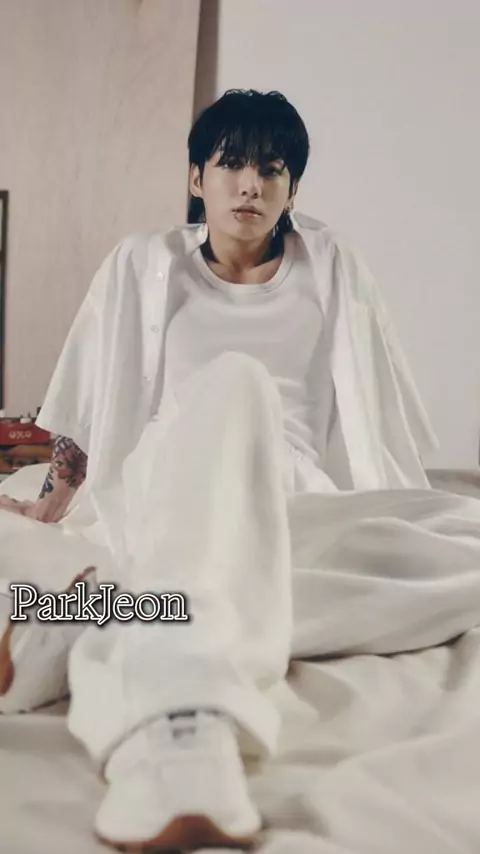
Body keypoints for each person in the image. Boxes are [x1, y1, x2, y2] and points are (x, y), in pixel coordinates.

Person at [1, 89, 480, 852]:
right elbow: (89, 399)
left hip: (289, 490)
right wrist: (53, 500)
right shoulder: (142, 263)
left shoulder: (332, 266)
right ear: (197, 178)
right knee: (238, 384)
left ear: (294, 188)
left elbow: (377, 413)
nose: (251, 185)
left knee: (458, 544)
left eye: (272, 169)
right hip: (172, 469)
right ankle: (180, 731)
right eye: (232, 165)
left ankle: (98, 617)